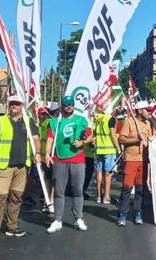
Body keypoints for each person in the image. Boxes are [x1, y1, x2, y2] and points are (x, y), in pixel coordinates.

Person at [0, 95, 40, 245]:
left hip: (22, 167)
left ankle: (12, 226)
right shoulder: (1, 121)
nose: (13, 106)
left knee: (16, 197)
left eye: (16, 104)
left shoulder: (29, 122)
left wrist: (37, 154)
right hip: (4, 167)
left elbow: (35, 139)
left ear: (22, 105)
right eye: (11, 104)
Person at [45, 95, 93, 233]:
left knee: (78, 190)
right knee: (59, 192)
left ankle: (78, 218)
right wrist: (47, 154)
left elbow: (90, 135)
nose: (69, 106)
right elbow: (49, 139)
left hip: (77, 158)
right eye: (66, 104)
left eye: (71, 104)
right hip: (59, 159)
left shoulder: (81, 120)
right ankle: (57, 220)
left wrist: (82, 142)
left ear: (74, 105)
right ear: (61, 106)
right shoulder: (54, 122)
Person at [117, 100, 154, 226]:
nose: (149, 112)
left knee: (140, 189)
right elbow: (121, 139)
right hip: (131, 160)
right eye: (147, 110)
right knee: (127, 188)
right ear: (139, 111)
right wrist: (135, 140)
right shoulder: (129, 121)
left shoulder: (148, 123)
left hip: (143, 160)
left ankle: (138, 212)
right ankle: (122, 214)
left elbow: (151, 139)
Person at [93, 103, 121, 204]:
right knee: (108, 173)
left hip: (99, 149)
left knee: (99, 172)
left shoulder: (98, 118)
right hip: (109, 149)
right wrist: (118, 148)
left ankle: (98, 196)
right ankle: (106, 197)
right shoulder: (110, 119)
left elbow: (95, 133)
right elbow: (113, 134)